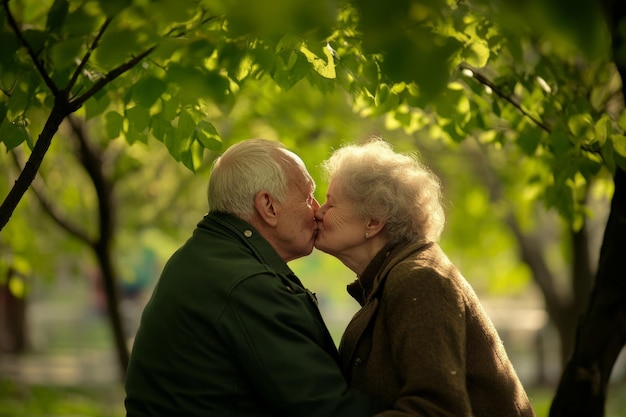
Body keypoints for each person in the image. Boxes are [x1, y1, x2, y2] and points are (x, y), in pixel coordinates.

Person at [124, 139, 383, 417]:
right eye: (308, 196)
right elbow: (328, 409)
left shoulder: (204, 255)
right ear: (268, 206)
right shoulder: (249, 284)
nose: (318, 209)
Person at [314, 138, 536, 417]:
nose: (318, 213)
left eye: (331, 204)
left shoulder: (419, 279)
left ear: (373, 221)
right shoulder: (396, 276)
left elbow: (438, 410)